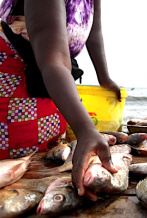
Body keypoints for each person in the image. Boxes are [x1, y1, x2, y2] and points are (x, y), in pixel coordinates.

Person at [0, 0, 121, 201]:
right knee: (16, 183)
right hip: (12, 88)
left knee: (49, 165)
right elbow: (53, 59)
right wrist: (86, 130)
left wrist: (104, 78)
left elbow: (93, 31)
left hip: (52, 84)